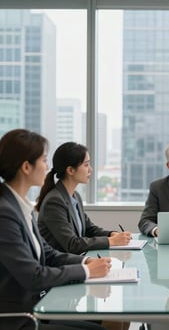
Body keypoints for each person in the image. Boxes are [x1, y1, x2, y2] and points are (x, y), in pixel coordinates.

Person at [0, 129, 111, 330]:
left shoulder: (19, 206)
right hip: (20, 319)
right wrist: (86, 270)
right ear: (26, 167)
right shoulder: (5, 213)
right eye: (43, 160)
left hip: (36, 306)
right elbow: (34, 276)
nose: (48, 167)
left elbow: (48, 254)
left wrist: (87, 261)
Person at [36, 142, 132, 255]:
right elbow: (72, 244)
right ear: (70, 170)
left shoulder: (75, 196)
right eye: (86, 165)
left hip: (76, 260)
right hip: (60, 266)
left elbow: (89, 229)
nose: (90, 169)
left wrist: (111, 234)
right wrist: (111, 241)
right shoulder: (54, 202)